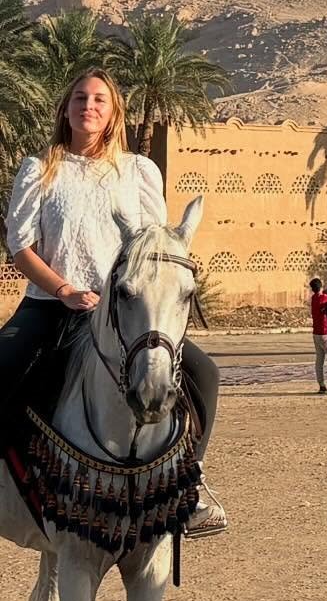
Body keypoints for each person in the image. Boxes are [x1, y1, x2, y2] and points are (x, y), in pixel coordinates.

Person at [3, 70, 227, 535]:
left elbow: (154, 244)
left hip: (122, 311)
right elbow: (20, 246)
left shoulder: (139, 171)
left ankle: (190, 484)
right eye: (80, 98)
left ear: (113, 113)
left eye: (100, 99)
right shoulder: (40, 168)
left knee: (205, 373)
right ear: (65, 110)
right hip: (51, 304)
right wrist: (63, 289)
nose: (89, 105)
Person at [308, 277, 327, 394]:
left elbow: (325, 293)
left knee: (319, 360)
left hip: (316, 333)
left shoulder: (314, 298)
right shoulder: (326, 298)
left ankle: (321, 384)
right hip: (325, 333)